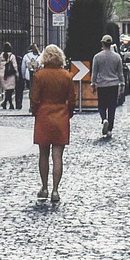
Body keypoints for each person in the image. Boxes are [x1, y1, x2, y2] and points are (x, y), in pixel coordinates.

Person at [29, 44, 74, 204]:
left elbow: (34, 98)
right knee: (57, 156)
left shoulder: (39, 76)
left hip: (43, 116)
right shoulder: (67, 76)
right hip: (61, 115)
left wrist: (35, 111)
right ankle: (55, 190)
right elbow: (72, 100)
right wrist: (68, 113)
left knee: (43, 154)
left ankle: (44, 187)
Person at [92, 35, 126, 138]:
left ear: (102, 43)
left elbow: (94, 72)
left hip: (102, 85)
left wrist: (93, 84)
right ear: (111, 44)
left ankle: (104, 119)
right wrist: (122, 84)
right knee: (112, 107)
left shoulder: (97, 57)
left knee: (101, 105)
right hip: (113, 85)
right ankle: (110, 129)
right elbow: (120, 73)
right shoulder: (117, 57)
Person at [0, 45, 18, 110]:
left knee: (7, 90)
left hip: (3, 75)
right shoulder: (12, 56)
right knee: (10, 90)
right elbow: (15, 65)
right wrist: (17, 73)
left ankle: (5, 103)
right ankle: (9, 104)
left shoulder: (0, 57)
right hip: (10, 75)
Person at [19, 44, 39, 111]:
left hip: (28, 75)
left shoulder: (26, 56)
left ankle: (31, 104)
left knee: (31, 89)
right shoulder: (40, 55)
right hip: (38, 75)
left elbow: (23, 67)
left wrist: (23, 76)